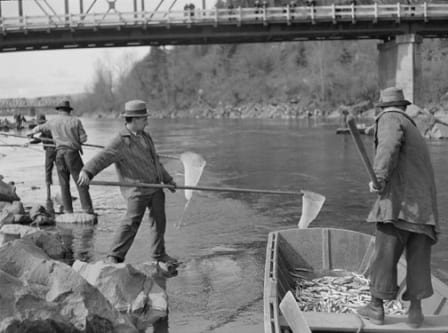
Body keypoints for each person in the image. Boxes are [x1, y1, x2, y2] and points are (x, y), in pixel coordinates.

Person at [357, 87, 439, 328]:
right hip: (425, 209)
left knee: (384, 255)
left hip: (399, 204)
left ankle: (376, 308)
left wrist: (378, 178)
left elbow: (388, 146)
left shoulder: (390, 119)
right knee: (418, 258)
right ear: (404, 106)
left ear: (384, 108)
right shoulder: (413, 128)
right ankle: (415, 312)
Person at [77, 100, 178, 265]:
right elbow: (104, 156)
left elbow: (156, 162)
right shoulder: (121, 140)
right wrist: (87, 171)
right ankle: (114, 256)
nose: (147, 121)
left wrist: (168, 180)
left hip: (156, 187)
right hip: (137, 189)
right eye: (144, 118)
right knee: (131, 223)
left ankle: (159, 255)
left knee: (159, 221)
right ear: (135, 119)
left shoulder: (146, 136)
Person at [30, 100, 94, 215]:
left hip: (59, 155)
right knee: (81, 182)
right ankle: (87, 210)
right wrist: (76, 140)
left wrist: (30, 133)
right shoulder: (76, 121)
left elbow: (38, 128)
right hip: (73, 155)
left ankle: (68, 211)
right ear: (69, 110)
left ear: (59, 110)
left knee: (64, 184)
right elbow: (84, 139)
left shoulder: (52, 121)